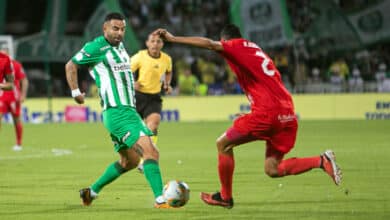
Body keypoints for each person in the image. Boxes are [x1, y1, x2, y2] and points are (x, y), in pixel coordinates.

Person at [154, 24, 342, 209]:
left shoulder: (236, 46)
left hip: (268, 114)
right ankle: (321, 160)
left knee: (223, 144)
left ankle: (225, 197)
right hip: (286, 114)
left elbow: (210, 44)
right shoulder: (255, 50)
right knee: (272, 169)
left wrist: (173, 39)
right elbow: (267, 84)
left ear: (226, 40)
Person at [65, 12, 171, 209]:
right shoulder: (96, 47)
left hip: (125, 111)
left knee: (129, 161)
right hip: (118, 112)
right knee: (151, 152)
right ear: (105, 28)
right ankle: (161, 200)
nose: (120, 33)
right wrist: (75, 91)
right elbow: (71, 65)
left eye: (123, 29)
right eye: (115, 28)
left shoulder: (121, 47)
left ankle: (91, 191)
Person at [130, 33, 172, 172]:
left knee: (153, 125)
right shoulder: (139, 57)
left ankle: (145, 159)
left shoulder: (166, 59)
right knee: (133, 130)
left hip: (154, 97)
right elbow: (124, 71)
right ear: (147, 43)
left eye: (158, 41)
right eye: (152, 41)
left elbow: (168, 71)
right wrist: (132, 83)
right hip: (137, 96)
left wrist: (166, 83)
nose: (155, 44)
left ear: (162, 44)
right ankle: (133, 155)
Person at [0, 46, 29, 151]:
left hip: (13, 96)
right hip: (2, 96)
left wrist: (23, 94)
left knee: (16, 119)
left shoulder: (16, 65)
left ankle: (19, 143)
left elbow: (24, 80)